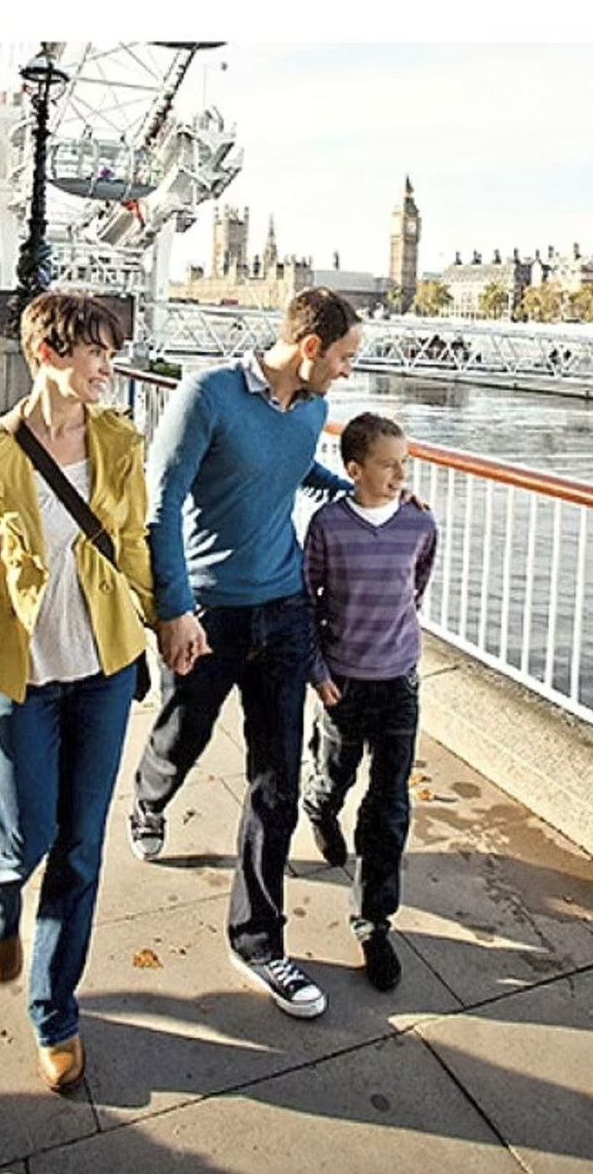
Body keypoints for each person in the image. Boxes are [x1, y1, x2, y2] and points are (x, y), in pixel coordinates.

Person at [0, 291, 155, 1091]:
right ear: (53, 354)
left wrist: (174, 620)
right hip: (24, 675)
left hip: (107, 671)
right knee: (27, 840)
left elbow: (134, 546)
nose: (110, 366)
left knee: (82, 848)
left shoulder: (121, 441)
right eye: (98, 352)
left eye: (112, 352)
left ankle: (55, 1014)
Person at [128, 286, 363, 1021]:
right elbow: (160, 506)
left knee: (276, 779)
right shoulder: (208, 396)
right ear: (311, 349)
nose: (351, 373)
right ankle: (149, 796)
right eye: (348, 358)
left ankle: (257, 938)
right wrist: (173, 610)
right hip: (210, 612)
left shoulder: (315, 411)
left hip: (285, 608)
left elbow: (293, 474)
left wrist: (362, 493)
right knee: (186, 731)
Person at [301, 413, 437, 992]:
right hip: (344, 684)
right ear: (353, 469)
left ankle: (373, 922)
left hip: (398, 683)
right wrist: (316, 668)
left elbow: (417, 583)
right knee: (336, 775)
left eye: (405, 462)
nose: (399, 473)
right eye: (388, 464)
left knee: (387, 806)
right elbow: (306, 599)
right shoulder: (328, 527)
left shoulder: (418, 524)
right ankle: (319, 807)